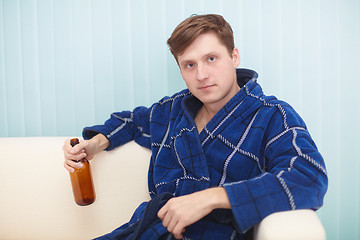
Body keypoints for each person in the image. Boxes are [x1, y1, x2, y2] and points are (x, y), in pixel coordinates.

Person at [63, 14, 328, 240]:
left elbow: (309, 177)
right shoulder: (173, 110)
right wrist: (93, 145)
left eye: (211, 59)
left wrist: (210, 198)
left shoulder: (272, 116)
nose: (201, 75)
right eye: (189, 65)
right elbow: (131, 121)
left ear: (234, 57)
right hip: (149, 230)